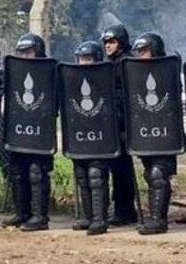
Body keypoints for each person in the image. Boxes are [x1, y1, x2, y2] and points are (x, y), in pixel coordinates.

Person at [2, 33, 54, 231]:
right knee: (16, 171)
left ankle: (40, 217)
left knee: (36, 172)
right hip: (18, 129)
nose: (25, 56)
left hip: (40, 131)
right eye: (21, 52)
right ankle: (22, 212)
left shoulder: (49, 71)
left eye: (29, 52)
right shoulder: (13, 72)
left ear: (38, 52)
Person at [130, 33, 177, 235]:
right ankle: (153, 218)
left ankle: (159, 220)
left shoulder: (168, 70)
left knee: (159, 173)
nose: (140, 55)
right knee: (150, 174)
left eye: (144, 51)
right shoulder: (134, 73)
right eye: (138, 52)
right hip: (145, 132)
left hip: (166, 131)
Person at [71, 41, 111, 235]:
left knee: (96, 174)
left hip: (101, 135)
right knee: (82, 175)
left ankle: (100, 218)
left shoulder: (107, 79)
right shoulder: (73, 81)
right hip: (80, 136)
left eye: (88, 59)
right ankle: (88, 216)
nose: (84, 63)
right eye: (81, 59)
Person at [100, 24, 139, 225]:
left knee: (122, 168)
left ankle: (125, 210)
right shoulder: (111, 63)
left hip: (126, 124)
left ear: (121, 43)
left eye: (112, 42)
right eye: (106, 42)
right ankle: (122, 209)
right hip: (114, 124)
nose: (108, 46)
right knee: (117, 168)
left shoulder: (127, 63)